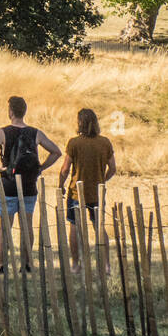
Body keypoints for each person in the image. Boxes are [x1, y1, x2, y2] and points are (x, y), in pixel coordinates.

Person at [0, 96, 61, 272]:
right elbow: (56, 152)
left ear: (10, 112)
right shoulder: (36, 133)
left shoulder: (2, 132)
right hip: (29, 185)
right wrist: (41, 168)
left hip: (8, 184)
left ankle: (2, 265)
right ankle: (26, 264)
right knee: (27, 225)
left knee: (5, 227)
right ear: (24, 111)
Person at [57, 108, 115, 274]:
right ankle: (105, 265)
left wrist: (61, 185)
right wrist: (102, 180)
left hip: (76, 192)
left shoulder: (74, 143)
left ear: (80, 123)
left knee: (74, 226)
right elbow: (113, 168)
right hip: (96, 192)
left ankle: (76, 263)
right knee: (99, 226)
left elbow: (65, 169)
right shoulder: (105, 142)